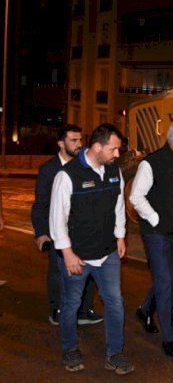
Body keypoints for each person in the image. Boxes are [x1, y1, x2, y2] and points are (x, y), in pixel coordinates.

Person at [49, 123, 133, 375]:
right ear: (97, 147)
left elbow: (119, 205)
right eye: (114, 149)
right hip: (78, 256)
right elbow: (57, 218)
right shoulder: (68, 175)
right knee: (71, 303)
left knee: (115, 303)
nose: (117, 154)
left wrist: (120, 236)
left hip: (107, 253)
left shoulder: (114, 171)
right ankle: (70, 349)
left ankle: (115, 354)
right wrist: (67, 252)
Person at [129, 120, 173, 358]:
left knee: (167, 276)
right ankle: (168, 339)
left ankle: (145, 309)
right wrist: (155, 218)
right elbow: (136, 197)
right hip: (156, 233)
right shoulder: (151, 164)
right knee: (167, 284)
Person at [32, 124, 103, 326]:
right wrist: (41, 233)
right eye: (73, 140)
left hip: (83, 231)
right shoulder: (49, 169)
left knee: (87, 267)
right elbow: (41, 204)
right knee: (58, 271)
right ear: (61, 143)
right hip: (57, 230)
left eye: (80, 140)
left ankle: (84, 310)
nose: (79, 144)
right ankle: (57, 310)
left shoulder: (86, 166)